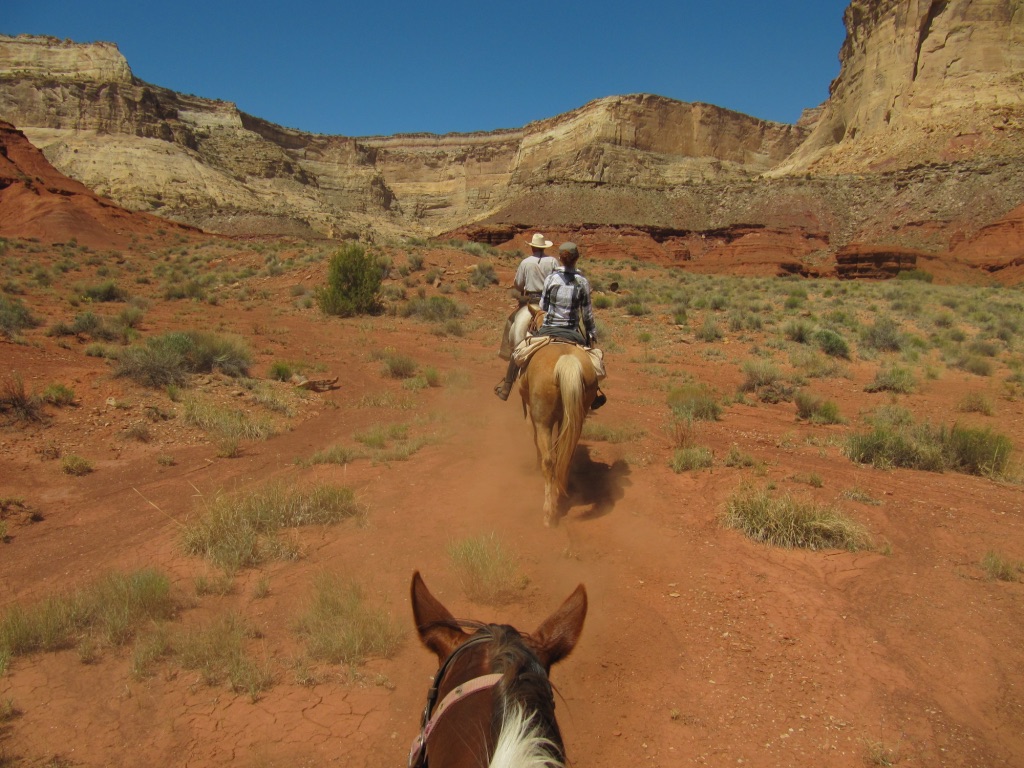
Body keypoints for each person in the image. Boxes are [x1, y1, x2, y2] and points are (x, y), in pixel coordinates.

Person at [497, 241, 607, 409]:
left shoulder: (551, 278)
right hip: (572, 332)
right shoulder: (582, 281)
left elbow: (544, 307)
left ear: (560, 259)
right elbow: (587, 314)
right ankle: (594, 392)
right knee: (590, 359)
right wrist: (591, 332)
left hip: (547, 326)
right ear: (577, 258)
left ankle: (507, 386)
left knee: (520, 350)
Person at [494, 233, 558, 399]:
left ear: (532, 247)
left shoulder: (525, 262)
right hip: (550, 303)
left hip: (530, 302)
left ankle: (507, 386)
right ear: (544, 247)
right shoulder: (552, 261)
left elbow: (518, 284)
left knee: (512, 323)